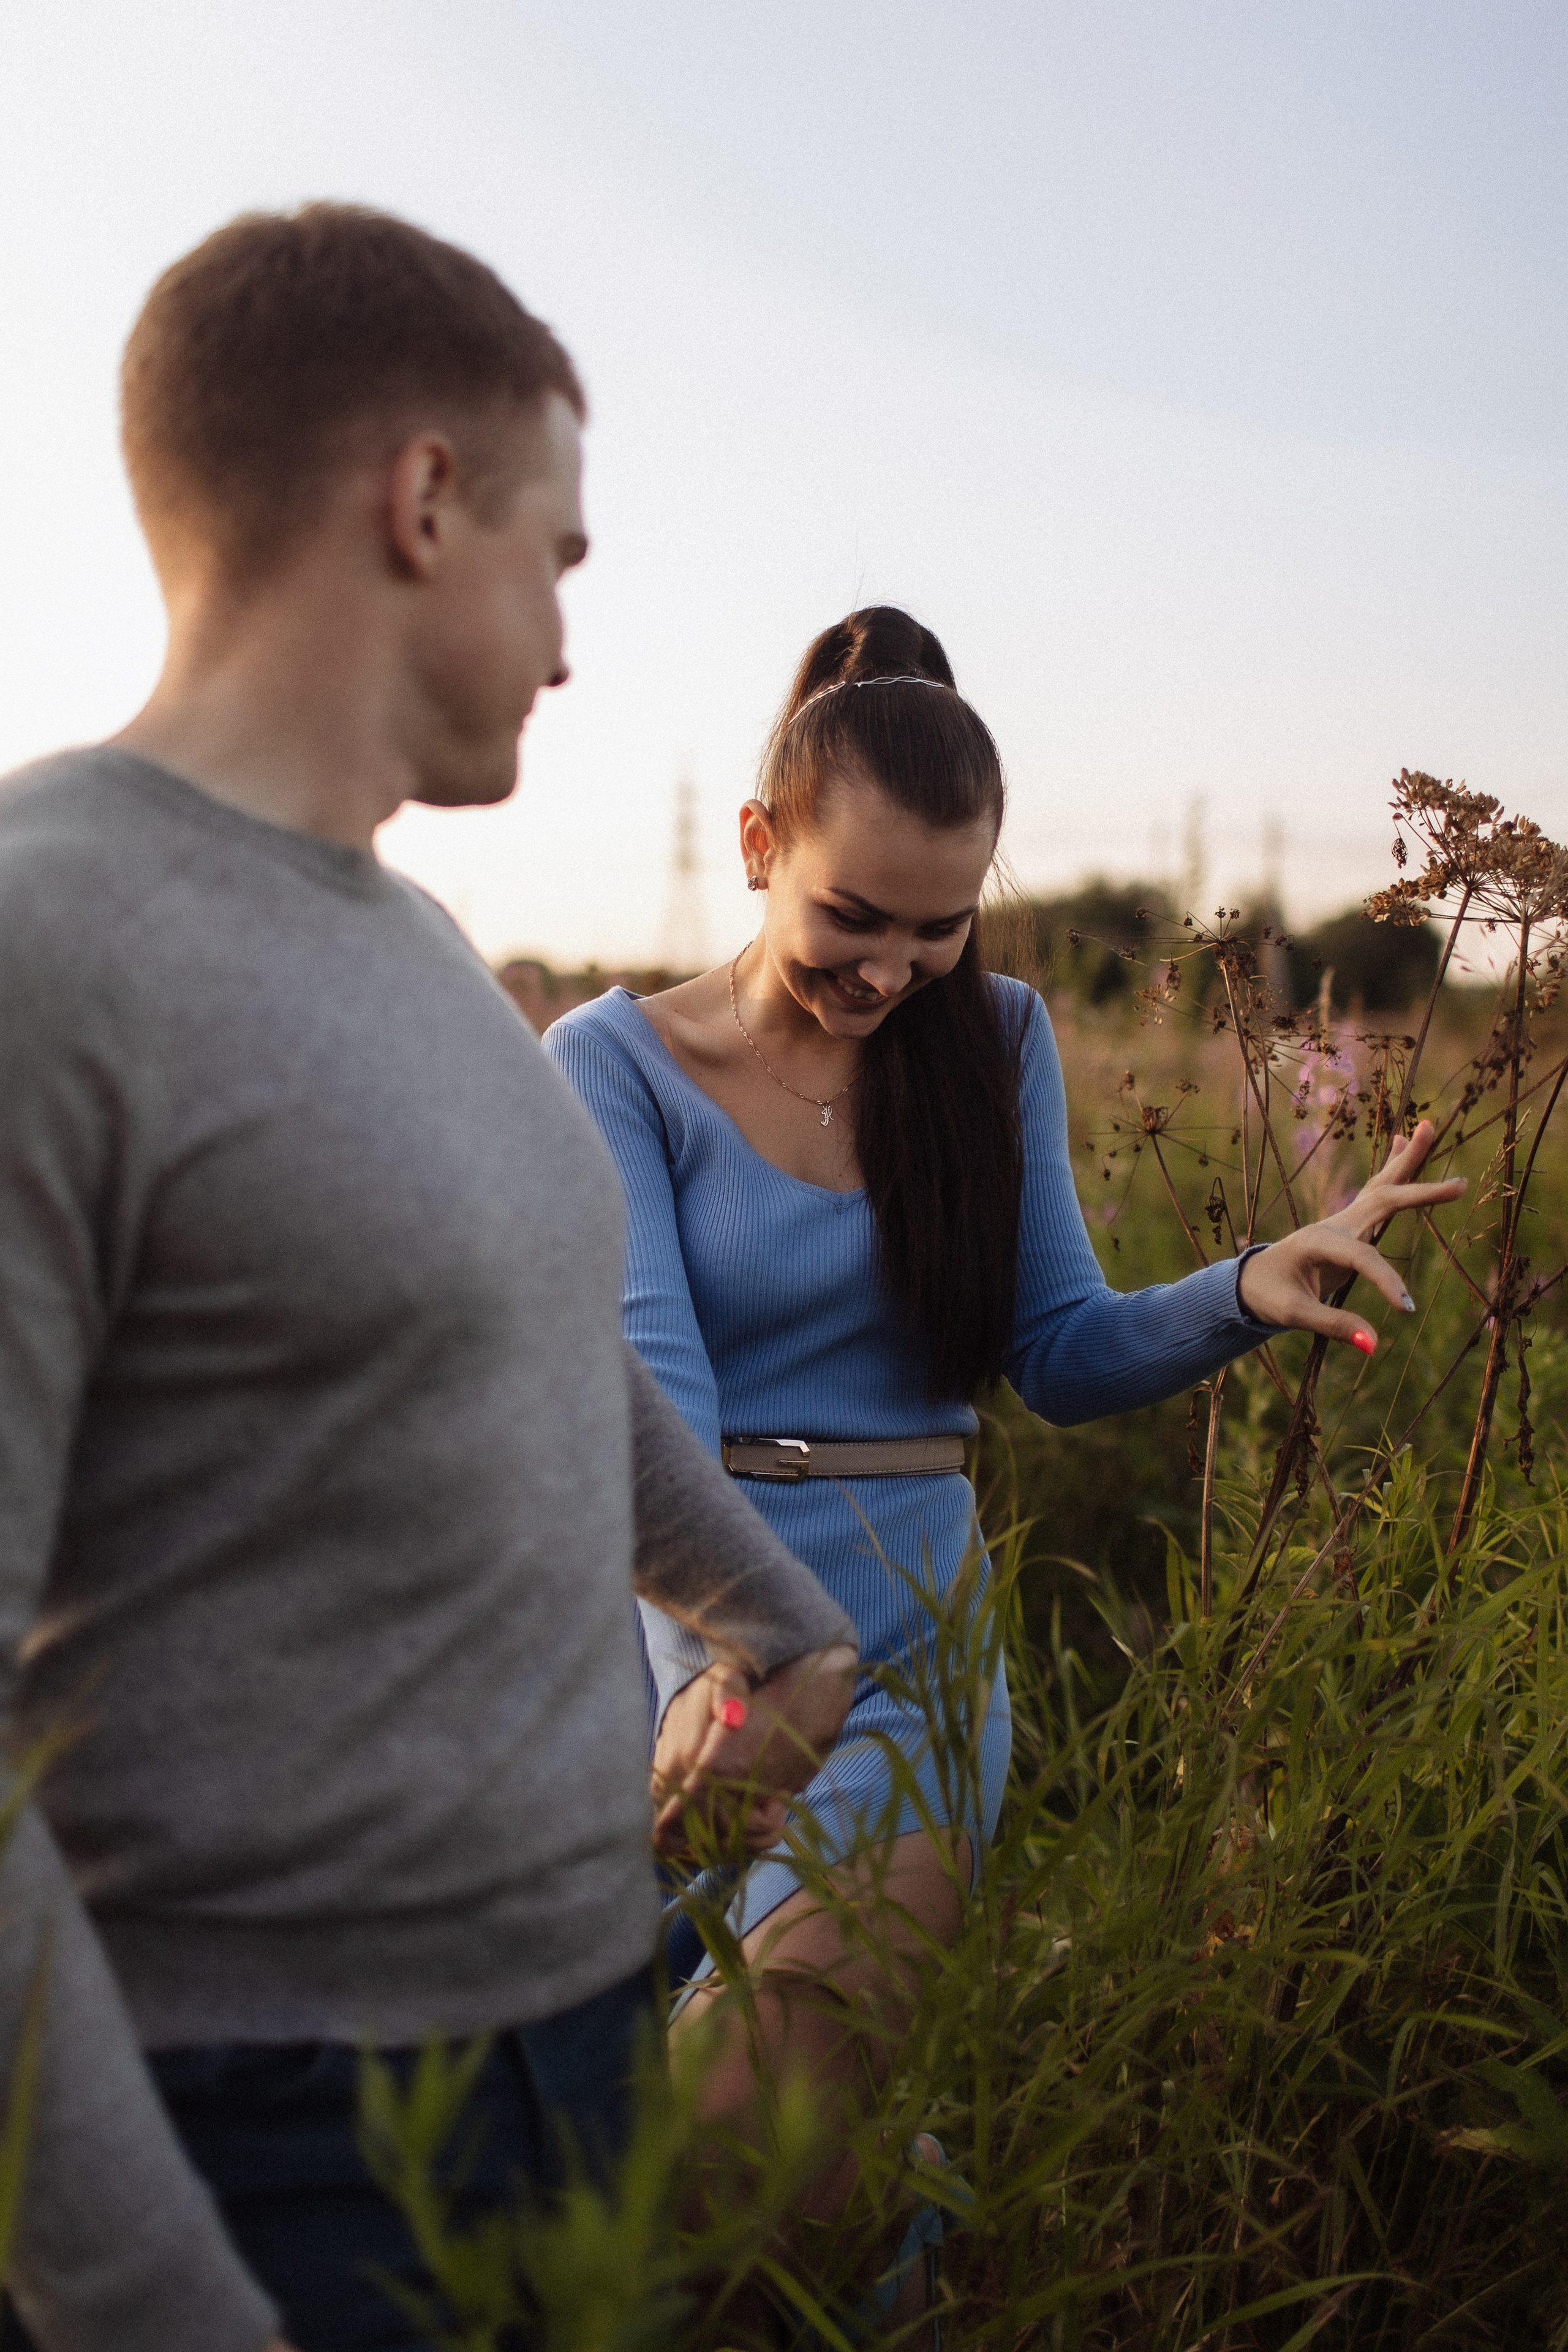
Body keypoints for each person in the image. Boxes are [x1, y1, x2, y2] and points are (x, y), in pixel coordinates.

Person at [0, 206, 859, 2352]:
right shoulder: (49, 944)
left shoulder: (429, 957)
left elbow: (520, 1347)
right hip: (266, 2134)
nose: (573, 646)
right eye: (562, 559)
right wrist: (153, 2301)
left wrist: (780, 1620)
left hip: (561, 2049)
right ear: (424, 496)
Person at [543, 603, 1465, 2267]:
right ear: (759, 847)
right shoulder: (610, 1065)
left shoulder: (997, 1044)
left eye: (939, 928)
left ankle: (878, 2217)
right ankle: (909, 2232)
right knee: (623, 2181)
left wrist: (1252, 1281)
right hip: (693, 1645)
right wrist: (727, 1697)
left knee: (744, 2143)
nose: (891, 974)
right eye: (851, 919)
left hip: (910, 1661)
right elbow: (651, 1408)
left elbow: (1059, 1354)